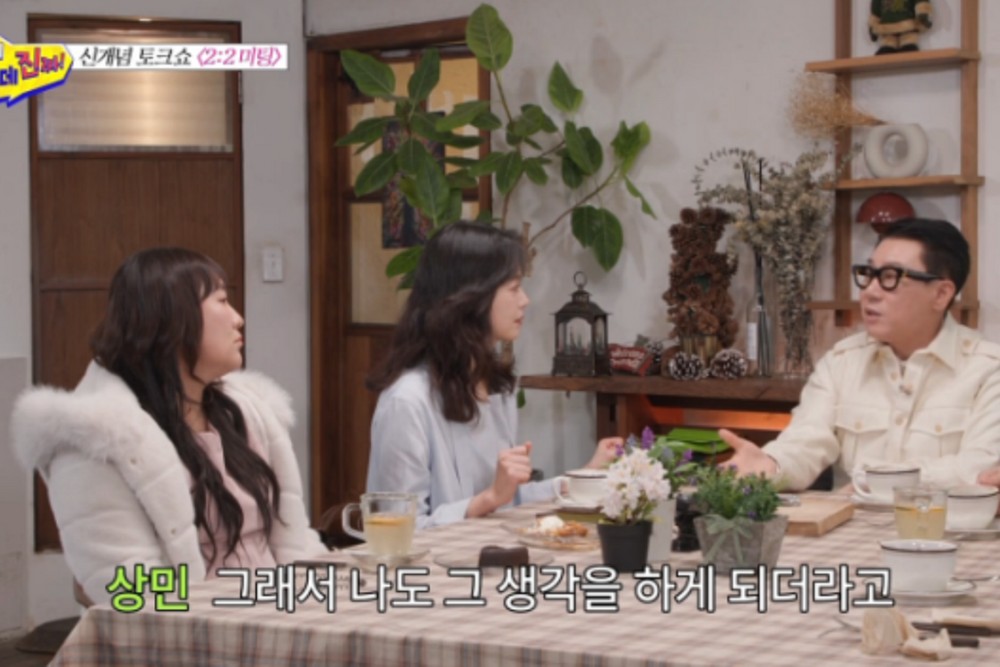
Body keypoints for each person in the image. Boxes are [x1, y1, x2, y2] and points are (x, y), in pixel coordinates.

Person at [11, 248, 325, 604]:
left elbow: (294, 542)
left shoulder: (246, 412)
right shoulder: (96, 439)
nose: (238, 319)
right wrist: (243, 608)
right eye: (222, 301)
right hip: (195, 629)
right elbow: (129, 586)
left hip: (279, 613)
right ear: (173, 319)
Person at [366, 222, 620, 529]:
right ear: (471, 296)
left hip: (491, 551)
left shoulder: (496, 388)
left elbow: (507, 501)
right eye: (513, 288)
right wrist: (489, 498)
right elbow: (399, 529)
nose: (525, 300)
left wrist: (587, 475)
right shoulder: (406, 402)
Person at [722, 218, 1000, 490]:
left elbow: (978, 468)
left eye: (890, 277)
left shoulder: (988, 371)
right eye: (869, 274)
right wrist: (771, 465)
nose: (869, 292)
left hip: (942, 522)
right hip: (850, 521)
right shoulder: (842, 361)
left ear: (941, 294)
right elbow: (804, 443)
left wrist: (874, 479)